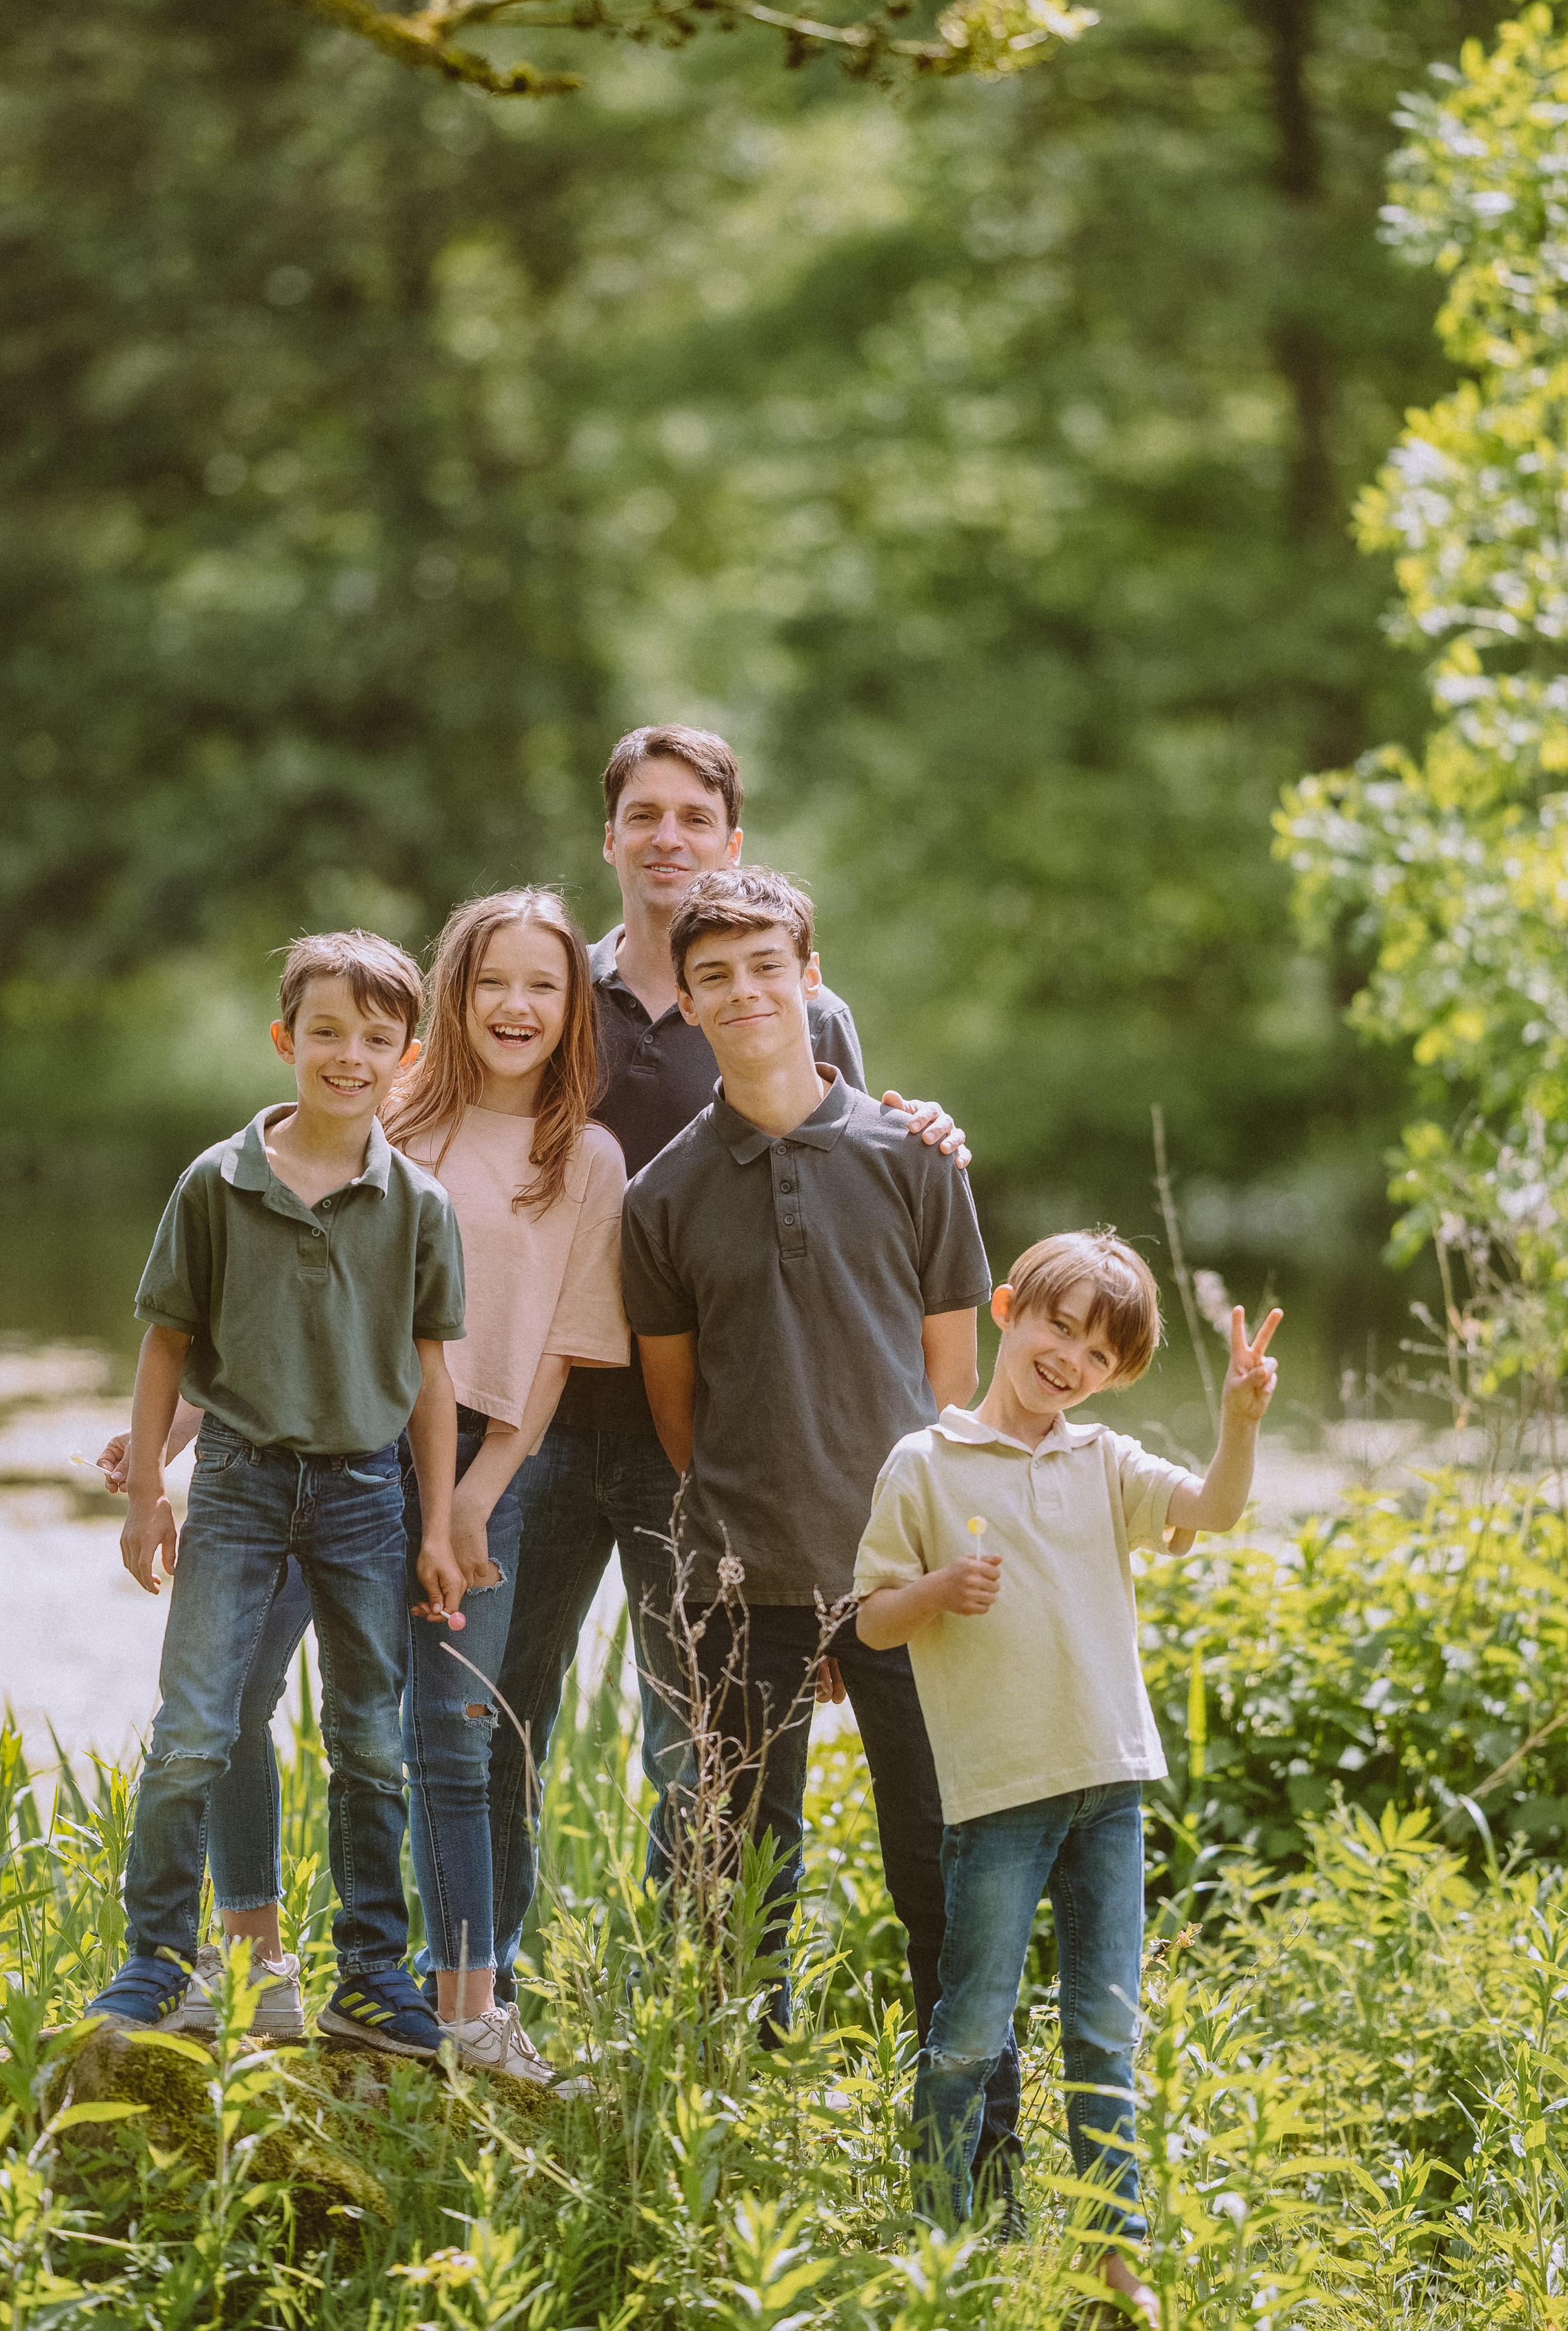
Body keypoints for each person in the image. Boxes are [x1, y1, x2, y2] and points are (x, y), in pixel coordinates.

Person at [484, 724, 971, 2016]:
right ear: (609, 838)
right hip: (528, 1417)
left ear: (730, 839)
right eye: (641, 815)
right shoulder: (550, 990)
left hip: (704, 1438)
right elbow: (452, 1140)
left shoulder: (797, 1002)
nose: (666, 838)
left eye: (693, 817)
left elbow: (847, 1160)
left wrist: (931, 1124)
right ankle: (485, 1996)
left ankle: (694, 2017)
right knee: (497, 1714)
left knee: (697, 1751)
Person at [619, 865, 1017, 2183]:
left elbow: (948, 1389)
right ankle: (733, 2158)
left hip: (907, 1575)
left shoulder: (914, 1161)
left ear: (808, 975)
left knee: (939, 1880)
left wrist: (882, 1565)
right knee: (738, 1892)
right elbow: (681, 1419)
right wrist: (775, 1546)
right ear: (687, 994)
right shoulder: (662, 1197)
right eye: (713, 974)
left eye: (765, 967)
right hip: (741, 1590)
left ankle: (972, 2167)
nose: (742, 994)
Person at [854, 1231, 1280, 2320]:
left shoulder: (1105, 1462)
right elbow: (871, 1618)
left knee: (1102, 2028)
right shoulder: (925, 1463)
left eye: (1097, 1352)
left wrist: (1238, 1423)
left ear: (1115, 1374)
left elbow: (1215, 1510)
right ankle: (942, 2244)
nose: (1069, 1358)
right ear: (1006, 1310)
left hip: (1110, 1780)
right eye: (1057, 1325)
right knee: (968, 2027)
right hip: (997, 1795)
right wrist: (942, 1586)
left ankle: (1112, 2264)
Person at [86, 930, 466, 2063]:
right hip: (240, 1485)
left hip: (366, 1496)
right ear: (285, 1039)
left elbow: (434, 1377)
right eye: (328, 1031)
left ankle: (372, 1969)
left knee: (368, 1740)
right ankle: (158, 1955)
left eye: (376, 1037)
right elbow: (167, 1345)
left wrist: (439, 1522)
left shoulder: (420, 1204)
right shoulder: (218, 1180)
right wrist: (147, 1489)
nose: (350, 1054)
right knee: (196, 1727)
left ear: (409, 1053)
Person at [379, 888, 629, 2087]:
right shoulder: (392, 1119)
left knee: (457, 1728)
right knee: (346, 1722)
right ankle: (356, 1980)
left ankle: (469, 2004)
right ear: (455, 994)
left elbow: (563, 1344)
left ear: (573, 1005)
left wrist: (480, 1487)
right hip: (352, 1442)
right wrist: (171, 1436)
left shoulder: (585, 1157)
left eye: (544, 984)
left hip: (493, 1456)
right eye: (493, 984)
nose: (516, 1006)